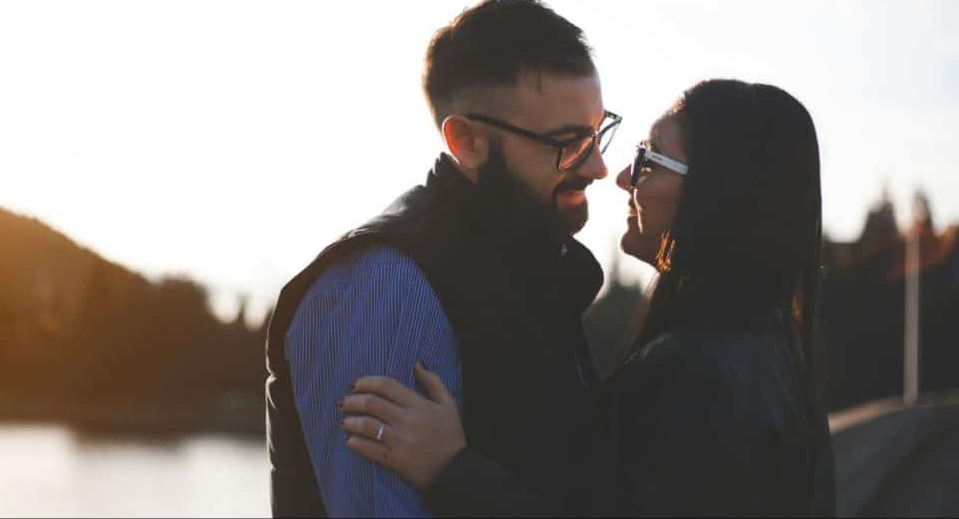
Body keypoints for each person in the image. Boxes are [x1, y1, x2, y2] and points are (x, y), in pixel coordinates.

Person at [340, 79, 838, 517]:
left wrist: (450, 468)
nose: (621, 176)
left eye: (649, 159)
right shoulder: (770, 358)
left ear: (717, 191)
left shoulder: (708, 378)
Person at [265, 0, 623, 517]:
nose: (597, 168)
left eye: (597, 134)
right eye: (568, 142)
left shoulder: (531, 275)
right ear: (467, 141)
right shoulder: (385, 286)